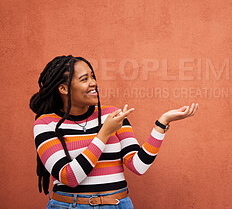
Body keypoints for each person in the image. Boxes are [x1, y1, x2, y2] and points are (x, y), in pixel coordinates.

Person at [30, 55, 199, 208]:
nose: (93, 83)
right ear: (64, 89)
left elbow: (138, 166)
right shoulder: (46, 123)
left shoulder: (112, 116)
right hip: (70, 205)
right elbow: (69, 177)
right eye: (84, 79)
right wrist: (104, 134)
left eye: (92, 77)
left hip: (117, 204)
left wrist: (162, 124)